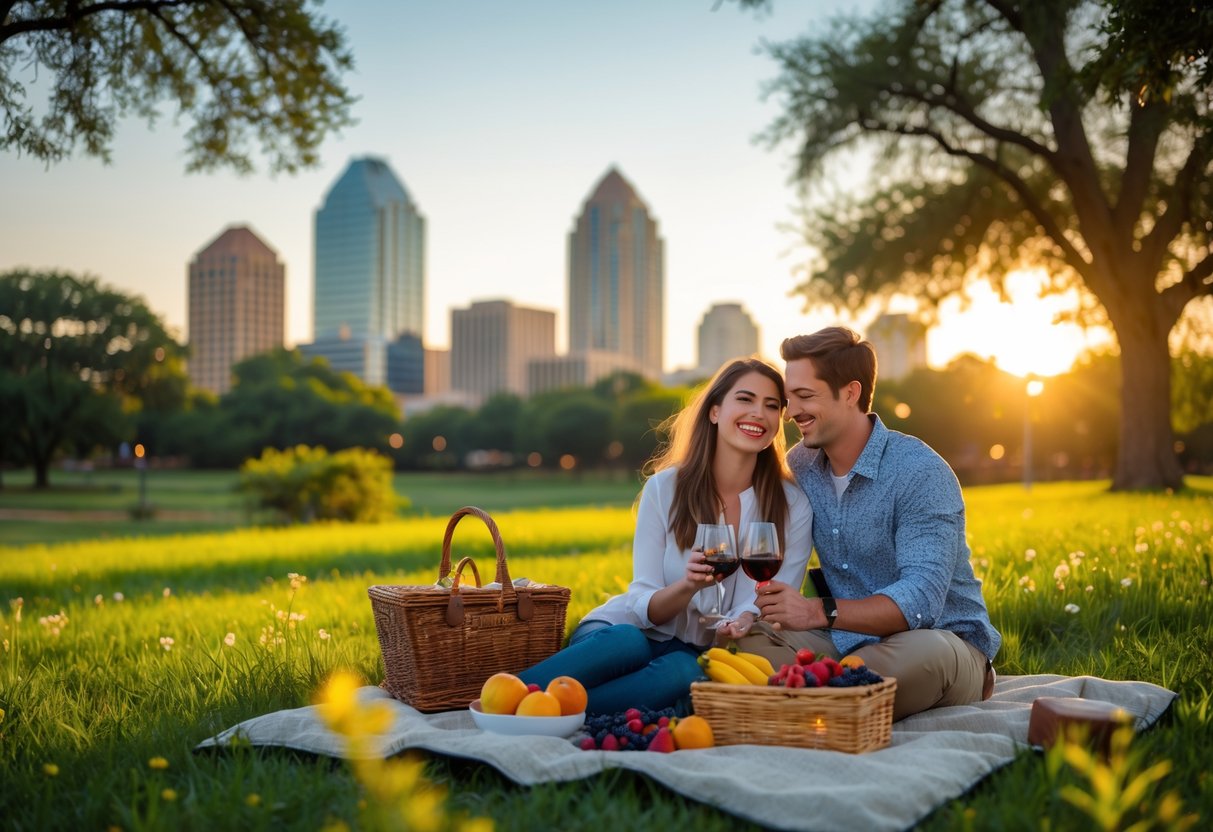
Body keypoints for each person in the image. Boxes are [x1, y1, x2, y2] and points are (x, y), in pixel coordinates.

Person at [518, 357, 813, 714]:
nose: (758, 414)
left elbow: (773, 596)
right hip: (622, 633)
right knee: (629, 642)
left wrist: (746, 618)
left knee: (684, 671)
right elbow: (643, 599)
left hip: (693, 652)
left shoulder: (792, 505)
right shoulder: (665, 489)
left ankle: (543, 709)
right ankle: (511, 692)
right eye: (746, 399)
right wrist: (688, 586)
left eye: (771, 406)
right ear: (715, 411)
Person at [740, 327, 1000, 721]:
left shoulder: (920, 472)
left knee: (921, 655)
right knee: (745, 644)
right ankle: (836, 696)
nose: (792, 413)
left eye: (805, 397)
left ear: (850, 392)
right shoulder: (801, 466)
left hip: (938, 645)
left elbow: (920, 601)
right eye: (789, 399)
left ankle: (807, 696)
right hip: (846, 643)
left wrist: (817, 612)